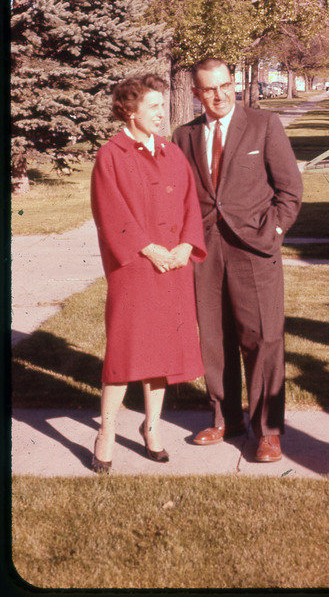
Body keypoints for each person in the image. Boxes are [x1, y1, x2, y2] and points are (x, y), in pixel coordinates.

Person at [172, 58, 303, 462]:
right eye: (209, 89)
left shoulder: (264, 125)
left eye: (225, 85)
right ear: (196, 94)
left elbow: (290, 189)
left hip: (255, 250)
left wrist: (273, 233)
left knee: (262, 338)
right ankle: (225, 418)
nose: (220, 94)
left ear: (236, 83)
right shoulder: (185, 136)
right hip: (207, 251)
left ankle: (267, 430)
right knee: (215, 337)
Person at [90, 73, 207, 473]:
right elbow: (110, 211)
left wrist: (187, 245)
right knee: (126, 352)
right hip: (134, 267)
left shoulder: (172, 152)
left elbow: (193, 203)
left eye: (162, 106)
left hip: (174, 265)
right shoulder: (111, 154)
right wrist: (146, 247)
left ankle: (151, 428)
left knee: (161, 353)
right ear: (130, 110)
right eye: (154, 107)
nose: (162, 114)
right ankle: (106, 432)